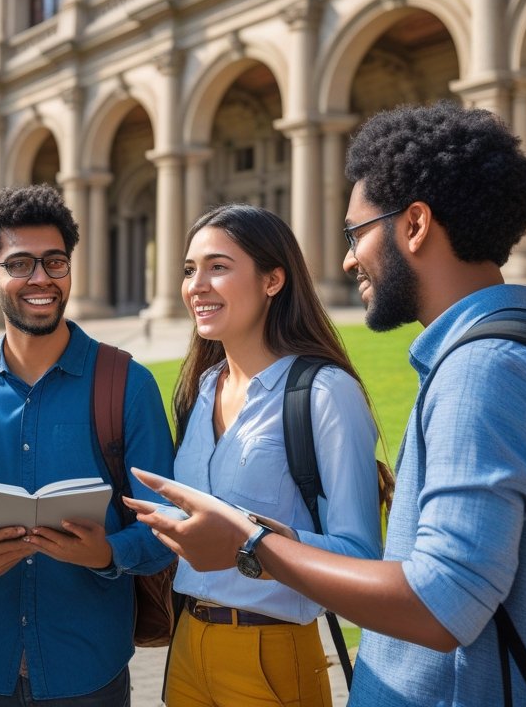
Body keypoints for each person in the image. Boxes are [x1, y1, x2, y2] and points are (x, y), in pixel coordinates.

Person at [128, 102, 526, 706]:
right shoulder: (520, 353)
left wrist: (249, 544)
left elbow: (441, 604)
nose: (348, 259)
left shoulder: (483, 371)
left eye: (357, 233)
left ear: (416, 225)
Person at [0, 184, 176, 706]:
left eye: (54, 262)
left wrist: (107, 551)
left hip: (88, 669)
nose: (41, 278)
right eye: (20, 264)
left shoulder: (127, 385)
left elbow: (165, 528)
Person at [165, 204, 384, 707]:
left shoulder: (326, 393)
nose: (196, 285)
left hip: (271, 652)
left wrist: (250, 547)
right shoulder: (198, 390)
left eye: (218, 267)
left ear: (273, 280)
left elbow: (363, 560)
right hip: (187, 646)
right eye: (189, 269)